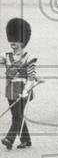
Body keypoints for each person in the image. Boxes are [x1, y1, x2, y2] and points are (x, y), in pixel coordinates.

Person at [3, 18, 37, 150]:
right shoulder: (5, 57)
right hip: (10, 92)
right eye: (12, 40)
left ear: (23, 41)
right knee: (17, 116)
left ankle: (9, 139)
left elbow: (32, 77)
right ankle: (26, 140)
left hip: (22, 92)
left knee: (17, 116)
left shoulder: (29, 58)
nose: (13, 43)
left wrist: (26, 90)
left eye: (16, 40)